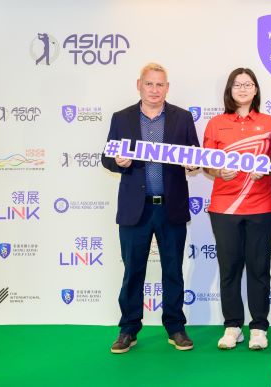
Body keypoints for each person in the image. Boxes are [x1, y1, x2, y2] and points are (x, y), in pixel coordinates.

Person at [101, 63, 200, 354]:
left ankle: (175, 327)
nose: (155, 90)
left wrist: (193, 163)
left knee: (173, 270)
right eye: (149, 84)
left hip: (171, 208)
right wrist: (116, 161)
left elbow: (194, 155)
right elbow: (107, 157)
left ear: (167, 87)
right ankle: (128, 329)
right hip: (135, 209)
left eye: (160, 85)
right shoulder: (122, 118)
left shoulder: (182, 118)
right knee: (133, 270)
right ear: (139, 85)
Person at [202, 68, 271, 350]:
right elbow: (207, 163)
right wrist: (219, 171)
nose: (243, 89)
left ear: (256, 90)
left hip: (261, 206)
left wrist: (265, 170)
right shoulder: (216, 123)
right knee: (229, 268)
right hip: (225, 207)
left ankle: (259, 326)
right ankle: (233, 325)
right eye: (237, 84)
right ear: (229, 90)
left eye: (248, 84)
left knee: (259, 268)